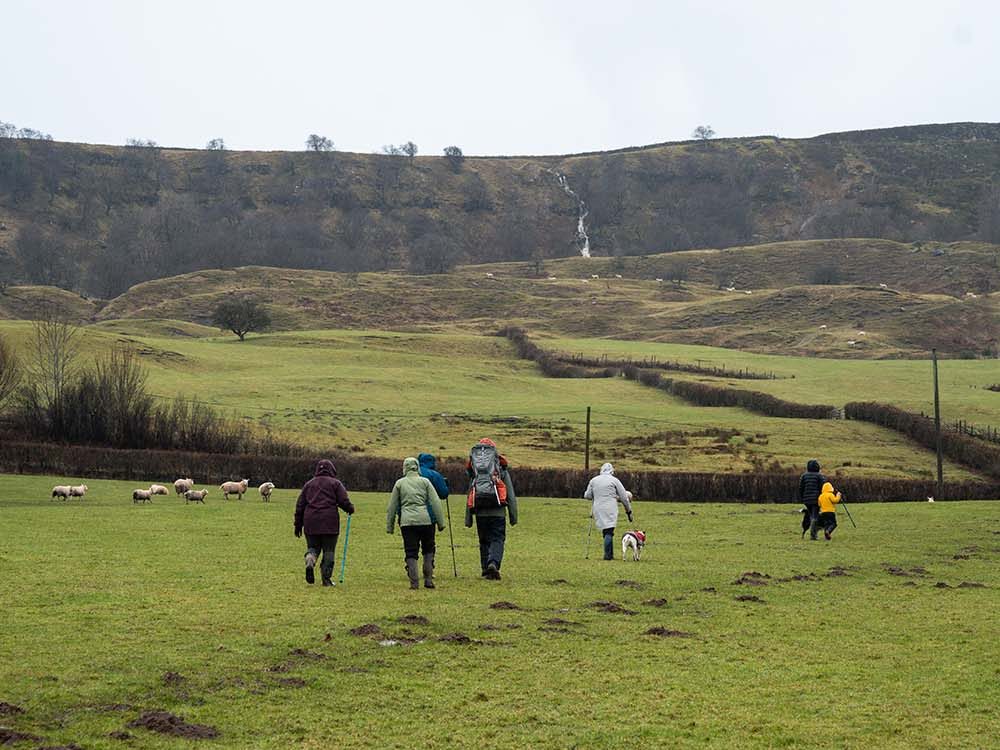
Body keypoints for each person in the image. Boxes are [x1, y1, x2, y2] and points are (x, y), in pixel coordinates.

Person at [386, 457, 446, 589]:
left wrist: (390, 526)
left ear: (404, 468)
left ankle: (414, 583)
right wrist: (441, 523)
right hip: (426, 521)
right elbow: (435, 502)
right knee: (428, 549)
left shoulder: (399, 484)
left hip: (407, 523)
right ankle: (428, 580)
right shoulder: (425, 482)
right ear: (417, 467)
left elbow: (392, 506)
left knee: (411, 551)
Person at [294, 459, 355, 586]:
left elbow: (300, 505)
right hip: (329, 522)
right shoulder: (335, 483)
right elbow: (343, 500)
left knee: (313, 547)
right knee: (329, 550)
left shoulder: (309, 484)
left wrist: (298, 525)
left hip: (311, 521)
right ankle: (326, 580)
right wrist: (350, 509)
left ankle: (310, 559)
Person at [464, 438, 518, 580]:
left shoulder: (475, 472)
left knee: (483, 541)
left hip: (480, 512)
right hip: (498, 511)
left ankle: (485, 569)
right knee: (497, 539)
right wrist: (513, 516)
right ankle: (493, 563)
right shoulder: (501, 470)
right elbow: (510, 495)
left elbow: (470, 493)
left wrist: (468, 518)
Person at [584, 463, 633, 560]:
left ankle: (610, 554)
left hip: (598, 508)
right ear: (612, 471)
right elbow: (624, 497)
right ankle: (608, 555)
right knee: (609, 531)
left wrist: (596, 494)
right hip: (610, 508)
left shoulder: (594, 480)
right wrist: (629, 511)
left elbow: (587, 495)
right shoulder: (614, 480)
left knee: (606, 530)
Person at [798, 459, 825, 540]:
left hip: (806, 500)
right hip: (816, 500)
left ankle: (811, 531)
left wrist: (802, 498)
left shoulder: (804, 476)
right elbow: (823, 487)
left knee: (811, 515)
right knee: (815, 516)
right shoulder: (819, 476)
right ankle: (813, 535)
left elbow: (801, 488)